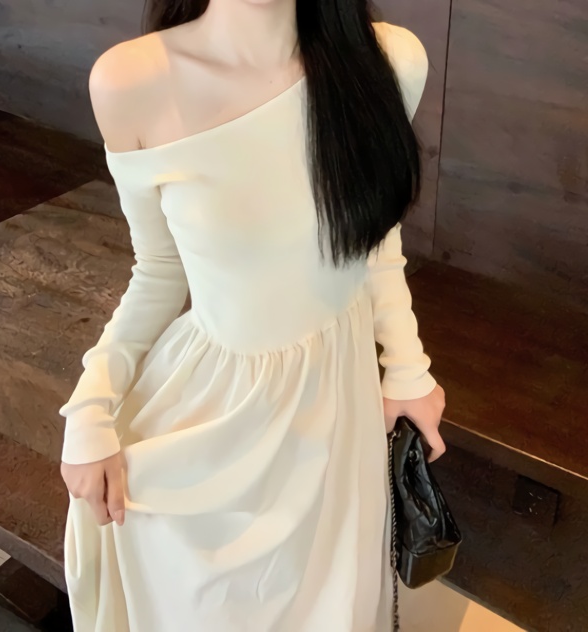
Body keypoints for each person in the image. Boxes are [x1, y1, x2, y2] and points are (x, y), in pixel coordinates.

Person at [59, 0, 446, 629]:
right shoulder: (130, 82)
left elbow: (374, 237)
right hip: (211, 430)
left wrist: (407, 367)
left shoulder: (390, 61)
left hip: (337, 418)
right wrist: (90, 406)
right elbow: (159, 271)